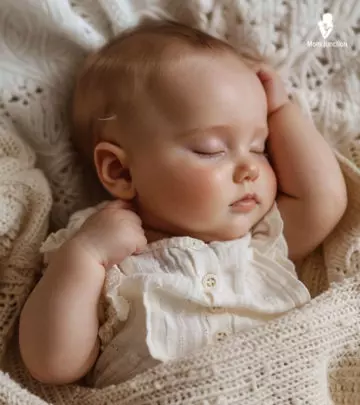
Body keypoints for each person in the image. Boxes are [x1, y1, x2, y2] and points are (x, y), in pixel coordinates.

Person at [18, 20, 347, 388]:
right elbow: (53, 364)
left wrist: (282, 110)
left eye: (260, 148)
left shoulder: (257, 243)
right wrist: (85, 256)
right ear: (121, 171)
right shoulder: (99, 254)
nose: (250, 169)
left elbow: (324, 200)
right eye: (212, 150)